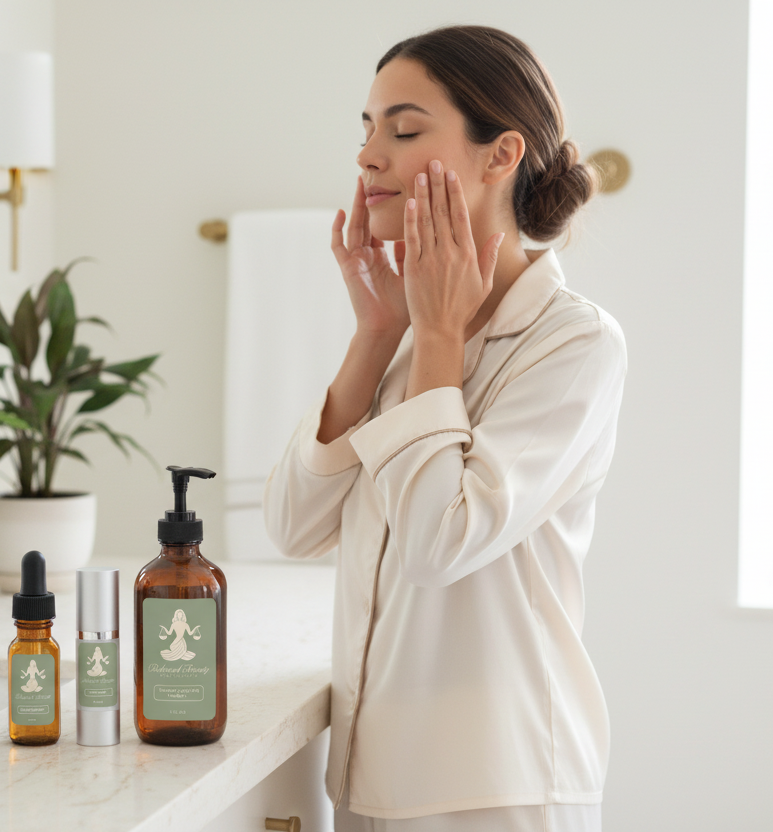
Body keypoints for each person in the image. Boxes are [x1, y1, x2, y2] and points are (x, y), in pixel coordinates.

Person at [263, 23, 626, 832]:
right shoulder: (406, 341)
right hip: (370, 781)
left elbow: (437, 544)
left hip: (497, 787)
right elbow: (291, 527)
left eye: (403, 130)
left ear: (501, 155)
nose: (369, 157)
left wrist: (434, 336)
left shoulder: (573, 343)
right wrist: (376, 335)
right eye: (366, 129)